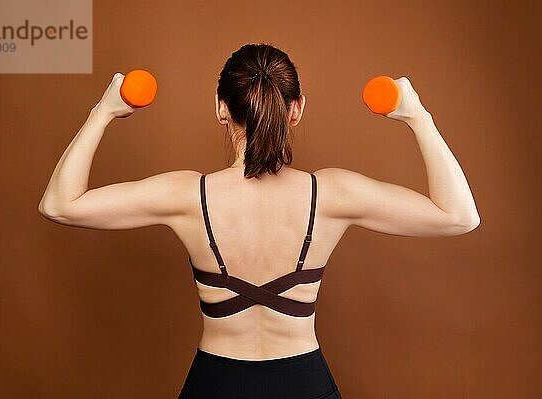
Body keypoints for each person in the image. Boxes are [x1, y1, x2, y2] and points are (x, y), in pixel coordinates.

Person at [38, 43, 480, 399]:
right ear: (297, 108)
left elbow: (60, 204)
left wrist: (104, 109)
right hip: (303, 384)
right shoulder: (332, 194)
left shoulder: (187, 195)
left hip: (216, 384)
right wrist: (417, 116)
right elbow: (459, 215)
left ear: (220, 108)